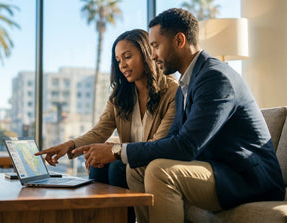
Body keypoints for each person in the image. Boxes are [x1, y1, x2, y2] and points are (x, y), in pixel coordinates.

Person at [73, 8, 286, 223]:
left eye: (156, 46)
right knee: (136, 169)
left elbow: (186, 146)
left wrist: (117, 151)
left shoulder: (215, 78)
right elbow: (171, 140)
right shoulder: (187, 83)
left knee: (159, 171)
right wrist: (116, 150)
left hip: (248, 178)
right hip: (218, 169)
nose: (153, 54)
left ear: (179, 40)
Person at [35, 29, 179, 223]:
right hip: (127, 157)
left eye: (128, 57)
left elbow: (158, 143)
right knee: (98, 164)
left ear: (146, 54)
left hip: (153, 161)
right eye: (118, 60)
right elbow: (100, 131)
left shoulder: (171, 91)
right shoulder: (120, 94)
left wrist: (113, 150)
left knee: (117, 168)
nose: (123, 65)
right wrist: (69, 146)